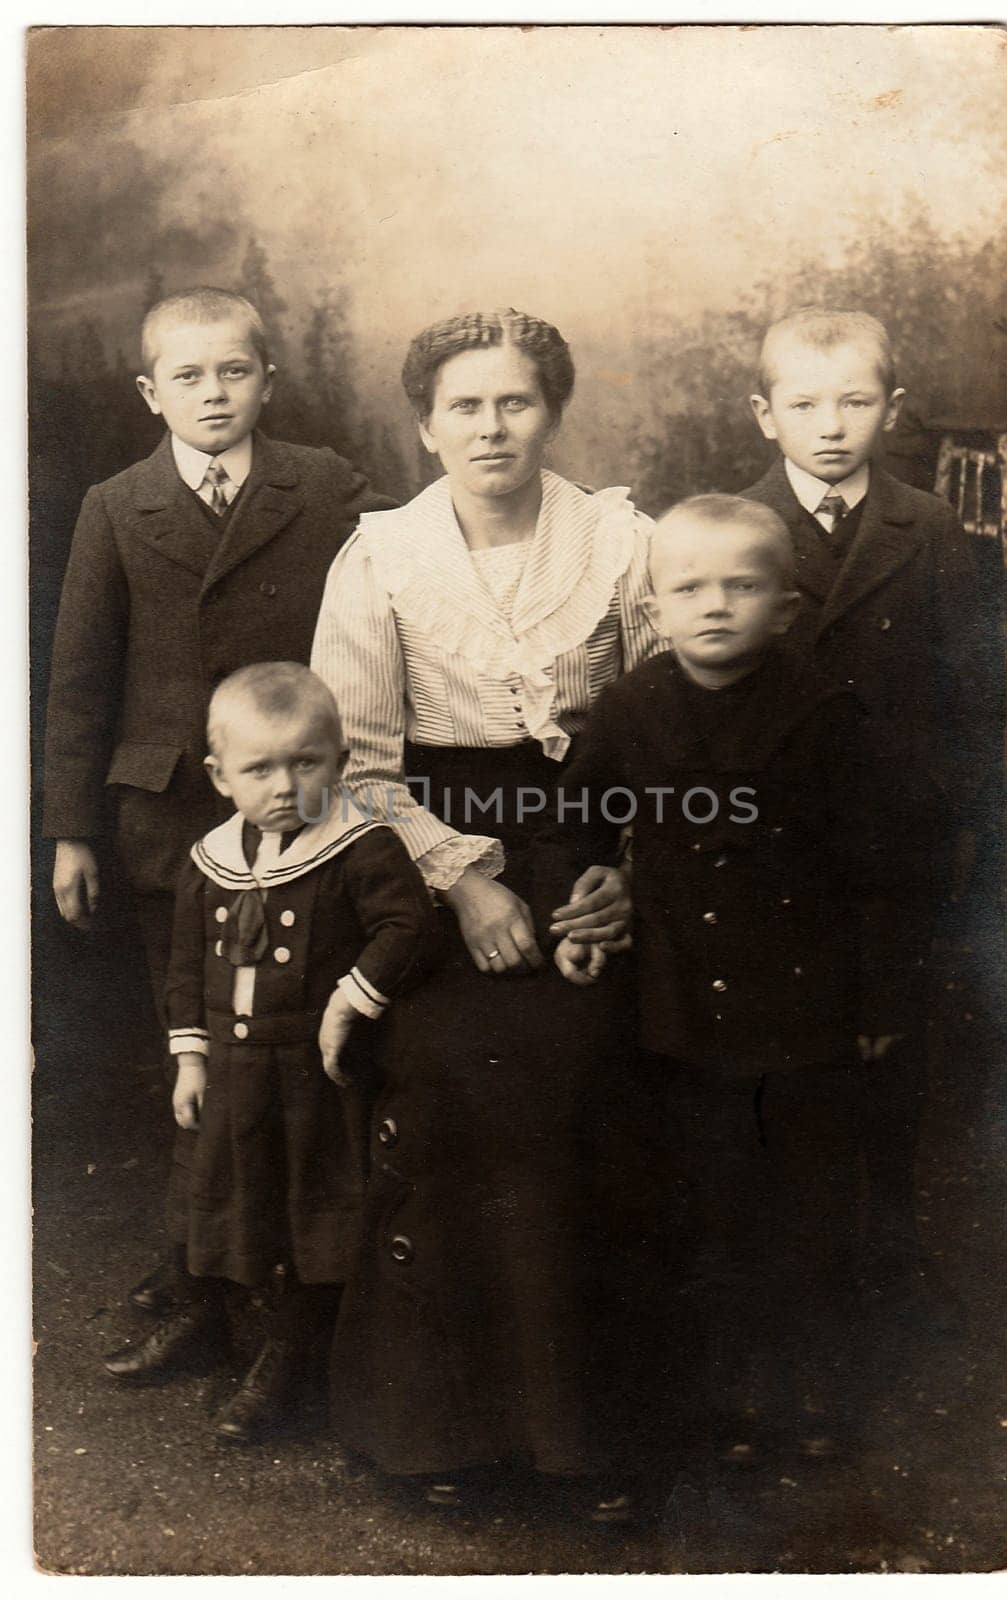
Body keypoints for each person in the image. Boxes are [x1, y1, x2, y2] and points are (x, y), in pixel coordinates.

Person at [310, 308, 663, 1518]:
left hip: (590, 839)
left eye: (515, 401)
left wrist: (629, 876)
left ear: (551, 411)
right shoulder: (379, 557)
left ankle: (592, 1436)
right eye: (464, 405)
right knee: (449, 1065)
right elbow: (352, 762)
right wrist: (459, 881)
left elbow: (670, 730)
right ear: (425, 424)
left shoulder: (622, 541)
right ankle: (437, 1429)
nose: (491, 426)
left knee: (586, 1068)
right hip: (422, 852)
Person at [540, 495, 923, 1464]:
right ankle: (727, 1391)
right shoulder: (631, 708)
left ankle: (818, 1389)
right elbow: (577, 823)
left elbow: (881, 871)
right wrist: (589, 892)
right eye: (690, 588)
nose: (716, 606)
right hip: (680, 1002)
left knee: (812, 1203)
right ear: (655, 608)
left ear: (787, 606)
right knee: (709, 1198)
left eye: (744, 586)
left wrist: (878, 1001)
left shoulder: (825, 712)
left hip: (804, 1005)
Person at [43, 287, 393, 1316]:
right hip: (167, 821)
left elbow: (395, 592)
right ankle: (196, 1261)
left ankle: (299, 1279)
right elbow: (77, 678)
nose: (212, 393)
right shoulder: (116, 503)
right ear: (151, 392)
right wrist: (70, 831)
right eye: (187, 377)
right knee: (194, 1043)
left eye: (233, 371)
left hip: (299, 804)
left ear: (268, 381)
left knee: (292, 1050)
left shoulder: (322, 484)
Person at [739, 307, 1001, 1313]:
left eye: (855, 401)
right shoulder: (736, 521)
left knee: (894, 1038)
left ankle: (890, 1238)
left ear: (893, 409)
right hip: (774, 830)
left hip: (897, 832)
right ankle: (782, 1253)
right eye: (805, 404)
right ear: (766, 416)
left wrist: (963, 815)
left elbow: (970, 685)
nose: (832, 425)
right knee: (781, 1039)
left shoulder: (927, 525)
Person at [102, 664, 437, 1444]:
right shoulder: (212, 858)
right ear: (221, 777)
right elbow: (187, 968)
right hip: (230, 1068)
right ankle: (206, 1320)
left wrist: (354, 995)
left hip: (309, 1078)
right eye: (260, 769)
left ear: (341, 759)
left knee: (305, 1210)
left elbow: (409, 928)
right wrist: (190, 1060)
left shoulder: (358, 846)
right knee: (214, 1193)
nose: (285, 786)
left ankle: (293, 1354)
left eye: (306, 762)